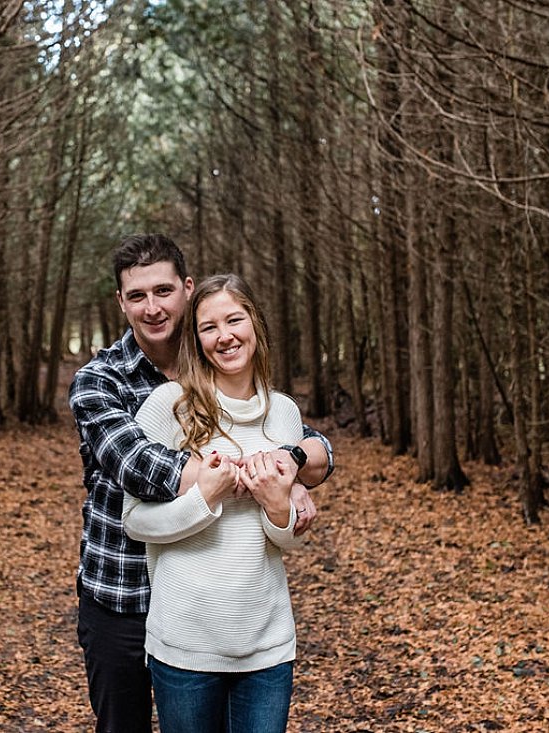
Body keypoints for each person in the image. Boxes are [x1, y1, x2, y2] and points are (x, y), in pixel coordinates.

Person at [69, 234, 334, 733]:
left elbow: (294, 434)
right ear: (120, 302)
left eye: (163, 291)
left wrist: (292, 462)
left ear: (187, 289)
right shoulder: (100, 380)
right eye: (137, 296)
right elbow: (139, 466)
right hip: (121, 595)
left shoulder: (221, 366)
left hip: (218, 609)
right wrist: (264, 472)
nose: (153, 307)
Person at [122, 273, 306, 733]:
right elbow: (134, 522)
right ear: (196, 338)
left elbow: (288, 541)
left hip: (267, 646)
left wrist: (279, 506)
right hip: (185, 646)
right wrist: (205, 498)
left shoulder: (284, 413)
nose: (224, 336)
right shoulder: (170, 406)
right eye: (208, 327)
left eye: (234, 320)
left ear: (256, 326)